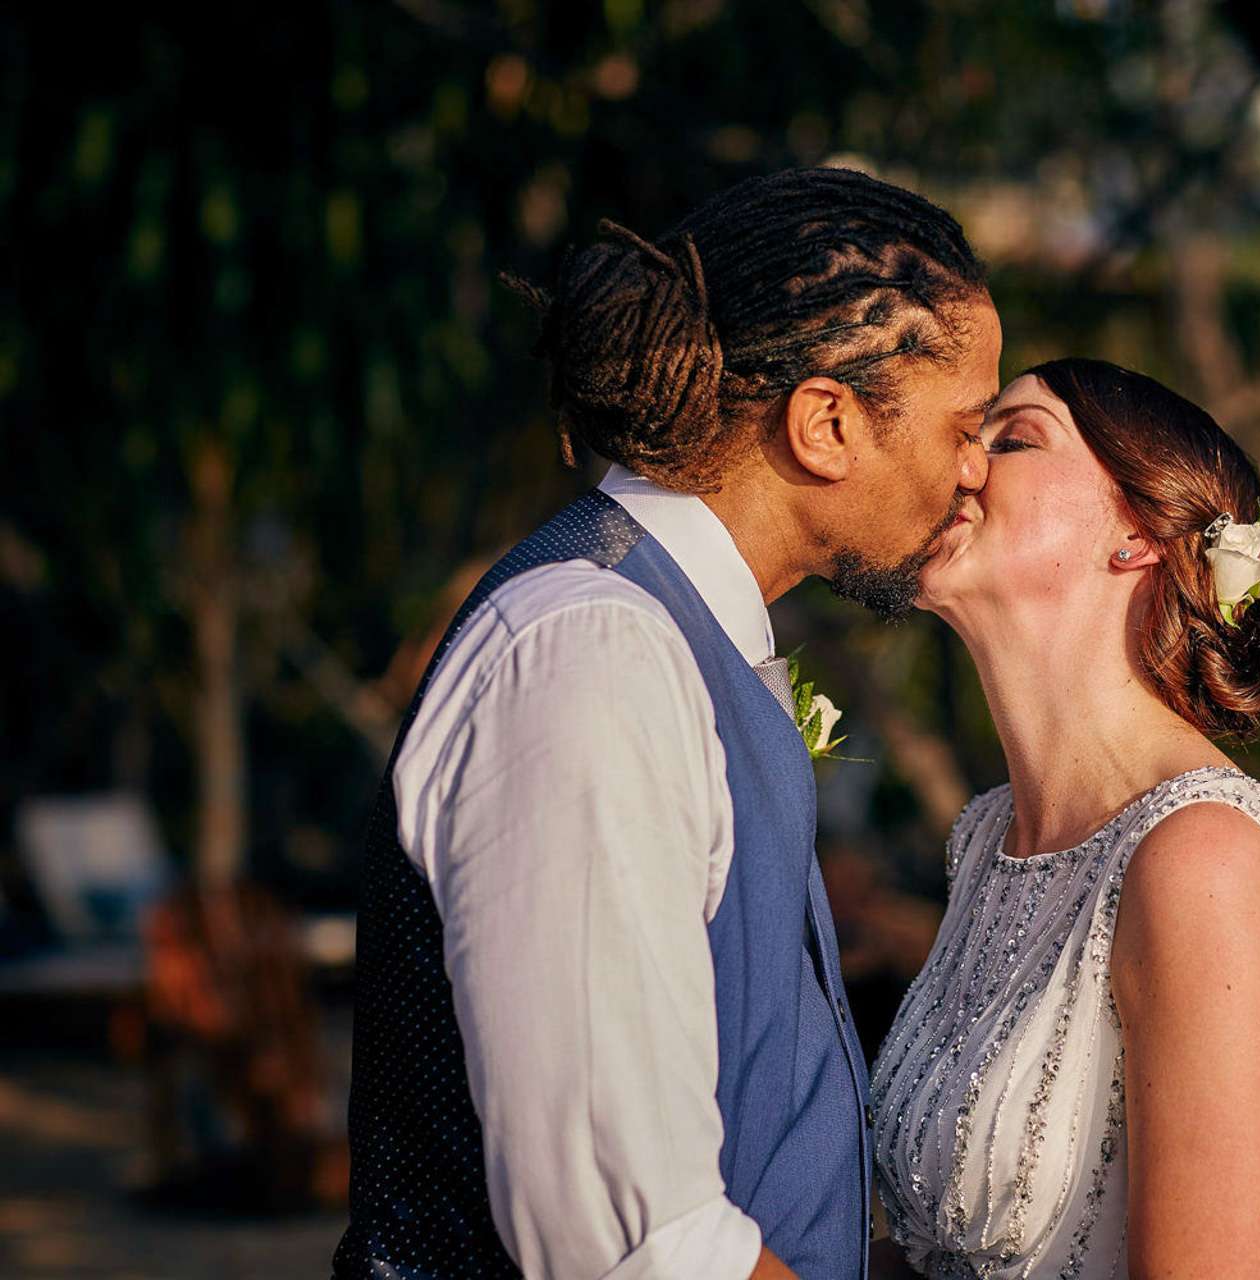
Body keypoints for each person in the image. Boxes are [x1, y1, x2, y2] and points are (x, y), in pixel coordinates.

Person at [333, 167, 1003, 1280]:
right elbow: (636, 1243)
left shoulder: (679, 640)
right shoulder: (591, 655)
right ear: (827, 423)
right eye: (966, 426)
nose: (976, 473)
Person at [871, 359, 1260, 1278]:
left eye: (1012, 439)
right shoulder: (985, 839)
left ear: (1137, 537)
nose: (963, 464)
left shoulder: (1203, 862)